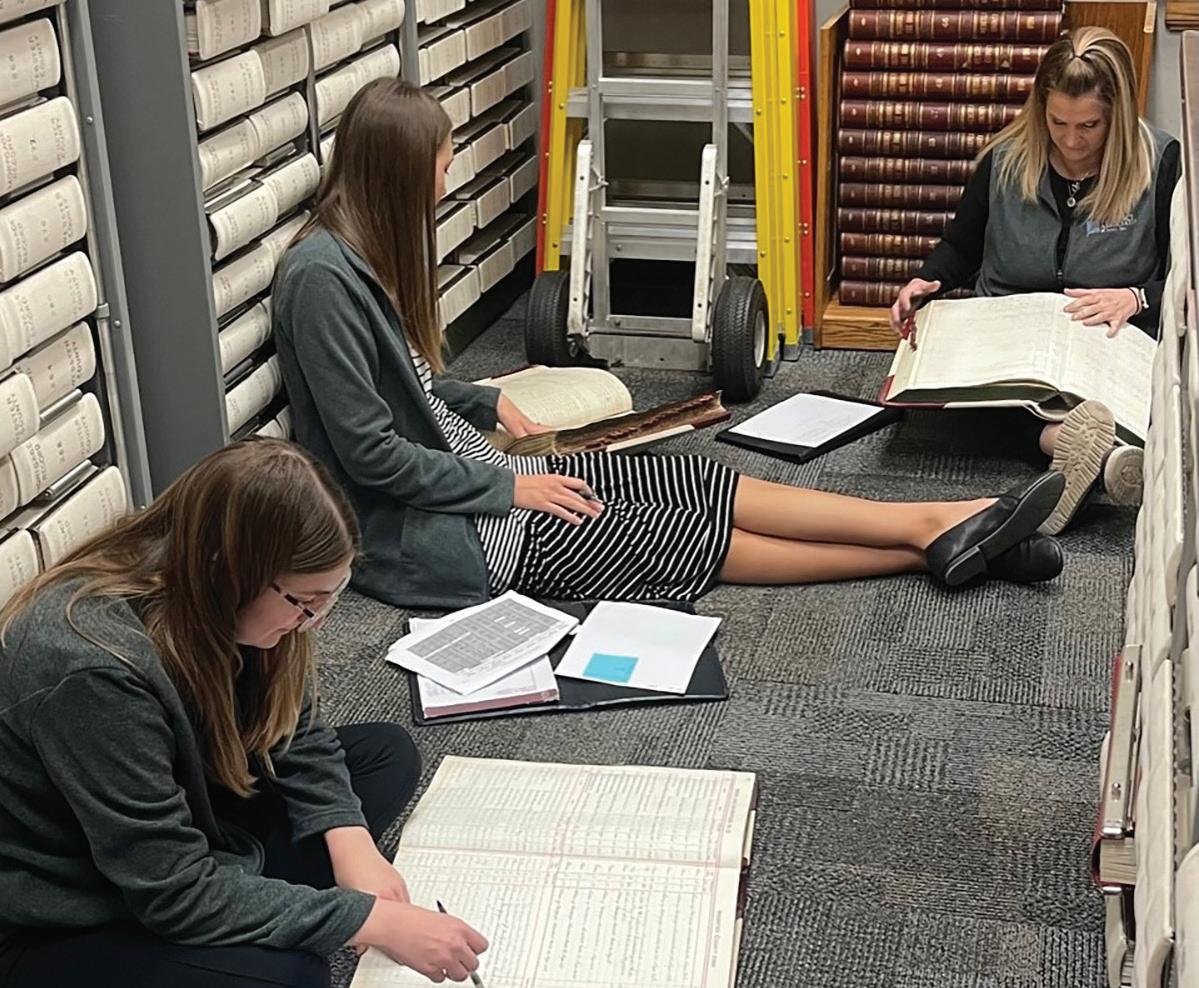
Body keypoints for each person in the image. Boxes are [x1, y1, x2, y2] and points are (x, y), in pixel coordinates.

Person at [273, 78, 1069, 613]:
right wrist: (507, 488)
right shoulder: (320, 282)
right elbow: (370, 455)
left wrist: (484, 399)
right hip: (446, 531)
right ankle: (932, 541)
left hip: (482, 478)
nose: (446, 183)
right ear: (399, 172)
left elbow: (406, 385)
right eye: (441, 167)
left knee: (689, 479)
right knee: (677, 535)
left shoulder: (357, 258)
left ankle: (935, 520)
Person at [0, 439, 488, 988]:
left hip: (176, 825)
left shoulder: (212, 588)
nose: (316, 622)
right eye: (304, 602)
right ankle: (241, 903)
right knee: (292, 979)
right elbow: (170, 891)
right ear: (228, 572)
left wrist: (349, 836)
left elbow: (294, 727)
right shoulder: (92, 668)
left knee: (384, 757)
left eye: (330, 597)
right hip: (63, 906)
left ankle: (244, 898)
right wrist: (367, 919)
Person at [890, 27, 1181, 535]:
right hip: (1011, 333)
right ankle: (1093, 454)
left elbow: (1185, 280)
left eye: (1089, 125)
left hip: (1107, 334)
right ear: (1040, 108)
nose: (1071, 141)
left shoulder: (1160, 162)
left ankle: (1075, 450)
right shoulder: (1005, 159)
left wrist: (1137, 298)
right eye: (1057, 122)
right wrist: (926, 281)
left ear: (1117, 116)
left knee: (1151, 398)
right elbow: (960, 245)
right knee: (980, 403)